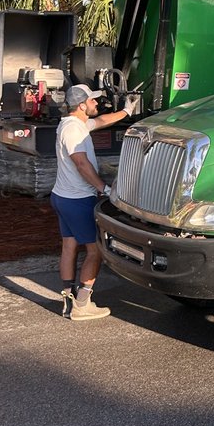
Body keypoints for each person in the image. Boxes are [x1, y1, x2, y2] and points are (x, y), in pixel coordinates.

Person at [50, 84, 135, 321]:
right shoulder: (73, 130)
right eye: (92, 100)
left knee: (69, 246)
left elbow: (102, 120)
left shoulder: (75, 123)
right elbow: (81, 164)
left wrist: (126, 111)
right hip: (77, 200)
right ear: (81, 105)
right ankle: (82, 304)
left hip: (62, 197)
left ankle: (68, 300)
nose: (97, 103)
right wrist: (104, 188)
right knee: (95, 250)